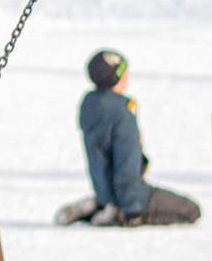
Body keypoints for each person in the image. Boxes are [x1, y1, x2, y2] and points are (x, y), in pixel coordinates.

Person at [59, 50, 203, 227]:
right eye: (124, 73)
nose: (127, 78)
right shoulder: (121, 113)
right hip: (131, 196)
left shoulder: (90, 106)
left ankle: (102, 206)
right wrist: (131, 205)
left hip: (106, 192)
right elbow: (127, 160)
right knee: (192, 210)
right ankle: (121, 215)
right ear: (116, 77)